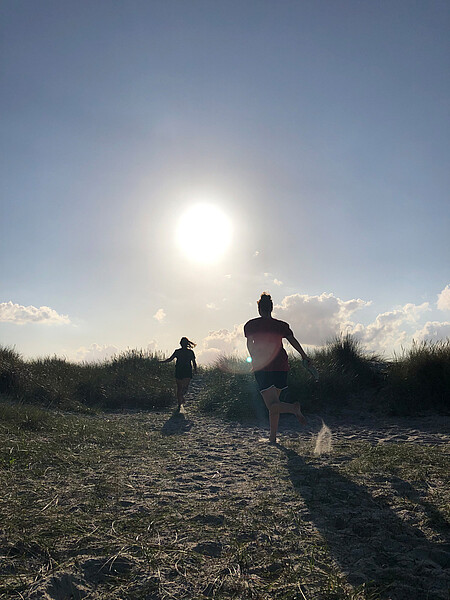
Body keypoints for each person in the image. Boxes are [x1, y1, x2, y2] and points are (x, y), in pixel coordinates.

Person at [244, 292, 313, 444]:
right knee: (274, 403)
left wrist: (253, 358)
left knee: (272, 404)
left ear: (259, 309)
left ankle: (293, 409)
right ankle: (273, 438)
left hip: (263, 367)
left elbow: (250, 344)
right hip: (281, 366)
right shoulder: (281, 325)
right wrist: (304, 355)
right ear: (272, 308)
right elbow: (293, 340)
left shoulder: (251, 325)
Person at [160, 337, 198, 409]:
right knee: (183, 388)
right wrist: (195, 370)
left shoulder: (187, 352)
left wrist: (195, 369)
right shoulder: (182, 352)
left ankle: (180, 401)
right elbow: (194, 362)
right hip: (184, 371)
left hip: (181, 370)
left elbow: (170, 359)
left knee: (180, 388)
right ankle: (180, 403)